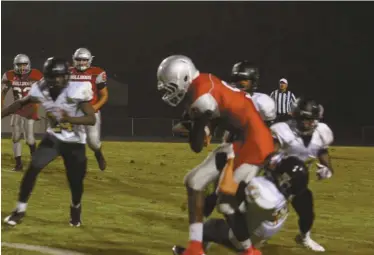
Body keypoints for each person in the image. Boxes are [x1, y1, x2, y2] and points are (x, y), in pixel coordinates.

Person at [157, 55, 274, 255]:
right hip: (236, 142)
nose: (169, 92)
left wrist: (194, 127)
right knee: (194, 182)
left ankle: (250, 252)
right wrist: (200, 127)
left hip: (254, 144)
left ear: (184, 79)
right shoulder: (201, 83)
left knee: (226, 204)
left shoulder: (202, 98)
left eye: (170, 86)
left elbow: (196, 146)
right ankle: (195, 247)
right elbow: (216, 120)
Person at [2, 57, 96, 227]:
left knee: (75, 182)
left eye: (60, 76)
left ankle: (75, 207)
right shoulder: (41, 88)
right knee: (33, 168)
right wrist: (2, 113)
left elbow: (91, 119)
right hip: (54, 138)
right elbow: (20, 103)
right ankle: (20, 210)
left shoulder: (77, 89)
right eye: (54, 76)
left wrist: (70, 119)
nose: (57, 80)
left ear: (67, 75)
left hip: (75, 142)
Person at [172, 155, 310, 255]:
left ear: (284, 178)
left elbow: (228, 188)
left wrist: (228, 165)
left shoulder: (266, 192)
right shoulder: (282, 197)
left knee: (210, 224)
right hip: (259, 232)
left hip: (243, 236)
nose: (275, 167)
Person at [270, 97, 334, 252]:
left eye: (314, 119)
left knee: (308, 214)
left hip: (298, 183)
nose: (311, 123)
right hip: (275, 180)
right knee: (265, 217)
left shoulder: (322, 132)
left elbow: (322, 150)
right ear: (297, 116)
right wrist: (276, 160)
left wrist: (327, 169)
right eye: (306, 119)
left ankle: (304, 237)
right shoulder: (282, 130)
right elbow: (268, 155)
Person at [1, 54, 43, 171]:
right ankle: (18, 164)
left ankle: (35, 161)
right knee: (15, 136)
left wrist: (37, 107)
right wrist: (2, 105)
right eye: (19, 65)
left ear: (28, 64)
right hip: (17, 108)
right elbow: (3, 91)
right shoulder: (9, 75)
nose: (22, 67)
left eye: (24, 64)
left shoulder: (36, 74)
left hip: (30, 107)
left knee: (29, 138)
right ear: (15, 65)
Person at [69, 47, 108, 171]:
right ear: (74, 59)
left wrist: (95, 107)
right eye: (78, 60)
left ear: (89, 60)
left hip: (91, 112)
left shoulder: (97, 73)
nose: (81, 63)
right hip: (75, 112)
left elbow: (104, 95)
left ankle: (98, 153)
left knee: (93, 142)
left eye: (84, 60)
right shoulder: (67, 72)